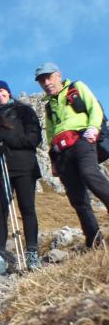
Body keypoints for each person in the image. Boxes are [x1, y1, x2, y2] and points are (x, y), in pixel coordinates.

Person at [36, 62, 109, 248]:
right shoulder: (48, 105)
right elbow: (50, 133)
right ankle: (94, 241)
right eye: (41, 80)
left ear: (58, 75)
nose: (46, 82)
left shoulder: (77, 87)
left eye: (49, 77)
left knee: (90, 175)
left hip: (82, 140)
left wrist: (93, 128)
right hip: (61, 152)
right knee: (77, 197)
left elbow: (95, 107)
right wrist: (53, 158)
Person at [0, 80, 42, 272]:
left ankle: (32, 254)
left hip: (24, 167)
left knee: (27, 210)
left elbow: (34, 139)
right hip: (0, 170)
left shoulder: (25, 111)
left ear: (7, 91)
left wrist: (7, 139)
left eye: (1, 91)